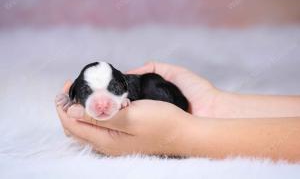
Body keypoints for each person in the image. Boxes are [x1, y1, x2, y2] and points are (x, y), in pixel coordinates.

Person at [55, 62, 300, 162]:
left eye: (113, 89)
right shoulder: (81, 92)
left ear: (124, 85)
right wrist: (215, 104)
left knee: (151, 85)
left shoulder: (139, 86)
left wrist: (183, 134)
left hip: (165, 95)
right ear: (77, 92)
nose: (101, 103)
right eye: (88, 92)